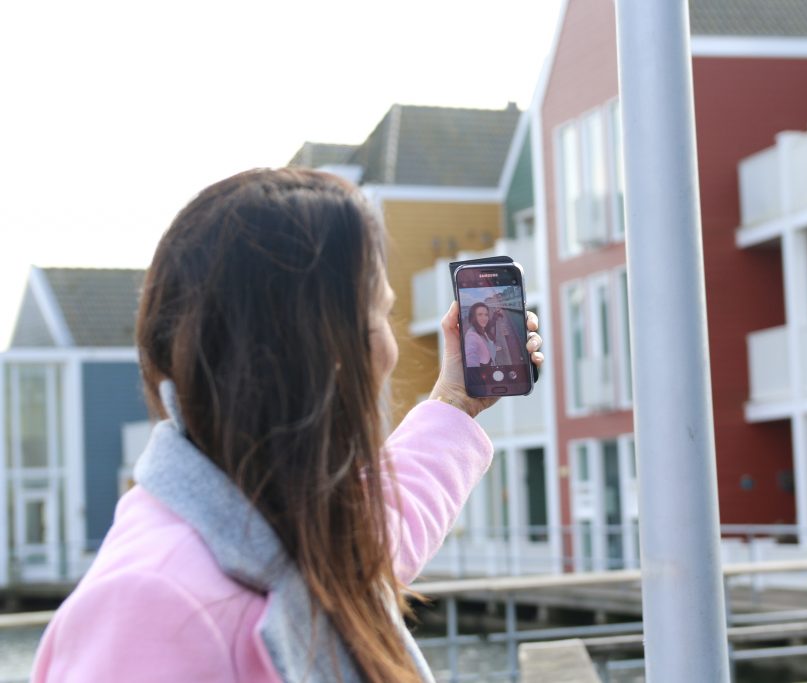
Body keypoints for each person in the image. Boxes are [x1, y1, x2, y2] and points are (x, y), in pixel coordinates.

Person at [31, 168, 544, 682]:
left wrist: (456, 400)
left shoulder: (270, 513)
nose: (390, 349)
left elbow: (374, 529)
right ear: (318, 346)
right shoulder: (151, 604)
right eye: (379, 316)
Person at [464, 301, 503, 367]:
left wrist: (496, 314)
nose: (484, 318)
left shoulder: (484, 326)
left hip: (490, 352)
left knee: (491, 345)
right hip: (486, 362)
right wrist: (472, 370)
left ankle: (493, 348)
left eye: (486, 315)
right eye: (480, 314)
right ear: (473, 317)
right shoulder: (471, 335)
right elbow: (470, 353)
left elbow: (492, 322)